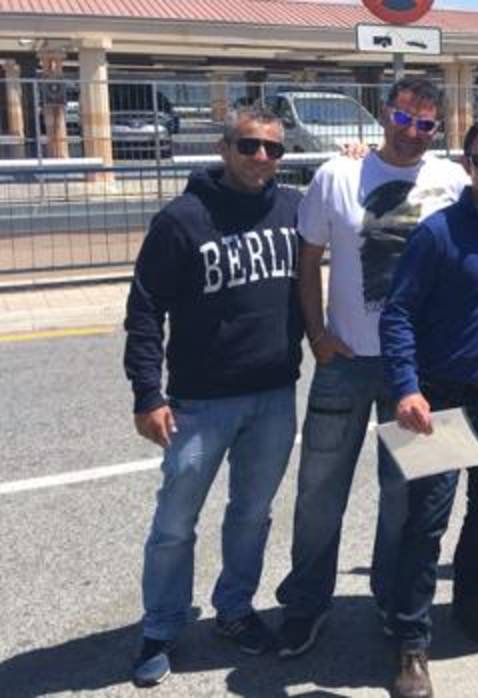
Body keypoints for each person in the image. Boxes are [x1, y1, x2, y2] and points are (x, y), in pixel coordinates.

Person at [275, 77, 469, 657]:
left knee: (407, 498)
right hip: (347, 361)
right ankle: (306, 604)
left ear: (438, 129)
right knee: (317, 494)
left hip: (424, 372)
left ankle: (395, 600)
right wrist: (317, 334)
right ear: (385, 115)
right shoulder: (337, 175)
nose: (411, 132)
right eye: (403, 118)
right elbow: (308, 260)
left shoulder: (454, 181)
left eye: (425, 124)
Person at [123, 104, 303, 687]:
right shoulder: (182, 219)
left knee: (251, 516)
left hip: (274, 394)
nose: (262, 158)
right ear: (224, 148)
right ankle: (162, 625)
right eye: (250, 146)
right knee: (176, 521)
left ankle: (234, 609)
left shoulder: (294, 209)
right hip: (200, 402)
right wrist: (147, 393)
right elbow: (145, 310)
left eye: (274, 149)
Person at [379, 122, 478, 698]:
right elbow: (398, 314)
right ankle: (411, 642)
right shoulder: (438, 233)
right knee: (427, 521)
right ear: (468, 165)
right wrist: (406, 387)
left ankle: (470, 600)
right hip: (440, 397)